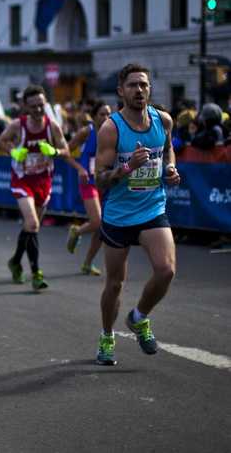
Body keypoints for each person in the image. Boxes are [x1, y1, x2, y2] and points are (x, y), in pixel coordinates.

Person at [94, 63, 180, 366]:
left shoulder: (163, 121)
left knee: (166, 270)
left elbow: (168, 149)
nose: (139, 90)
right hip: (118, 214)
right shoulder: (111, 128)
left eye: (143, 85)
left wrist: (170, 168)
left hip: (152, 207)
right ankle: (107, 335)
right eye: (132, 85)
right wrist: (126, 168)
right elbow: (99, 178)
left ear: (150, 89)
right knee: (115, 283)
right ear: (121, 91)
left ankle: (139, 317)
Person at [0, 85, 69, 291]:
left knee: (30, 227)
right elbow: (0, 142)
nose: (38, 110)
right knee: (33, 223)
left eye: (41, 105)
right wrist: (13, 151)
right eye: (34, 106)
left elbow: (67, 150)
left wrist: (54, 151)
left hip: (43, 181)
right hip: (22, 180)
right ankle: (36, 272)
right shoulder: (18, 126)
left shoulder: (51, 126)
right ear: (26, 107)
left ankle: (15, 261)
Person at [64, 101, 112, 275]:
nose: (106, 117)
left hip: (106, 182)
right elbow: (65, 152)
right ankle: (77, 231)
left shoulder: (114, 133)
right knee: (97, 221)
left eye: (108, 114)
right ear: (94, 117)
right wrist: (80, 169)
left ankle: (87, 263)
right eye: (102, 114)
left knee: (102, 227)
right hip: (88, 182)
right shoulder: (87, 132)